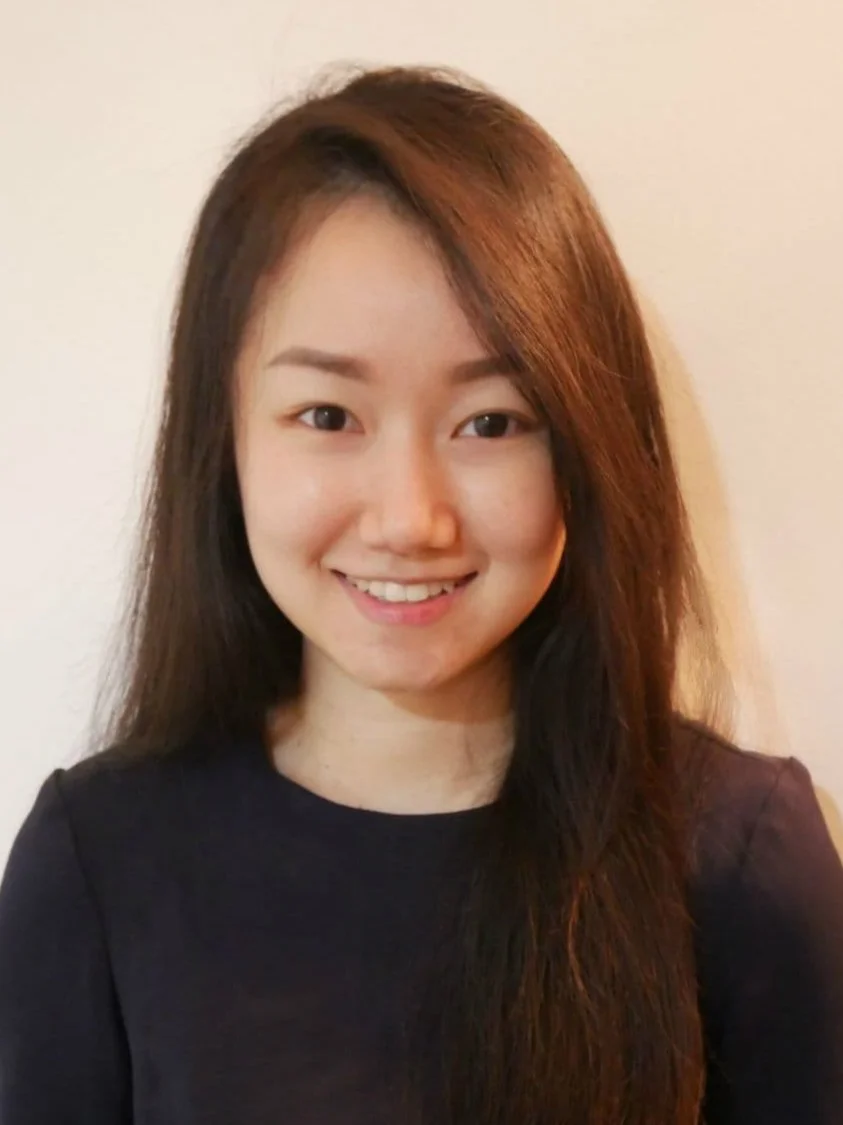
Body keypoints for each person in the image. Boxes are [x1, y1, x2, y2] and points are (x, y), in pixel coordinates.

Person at [0, 62, 841, 1125]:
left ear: (586, 446)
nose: (409, 517)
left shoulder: (741, 861)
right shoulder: (96, 867)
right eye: (328, 415)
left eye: (490, 422)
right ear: (224, 443)